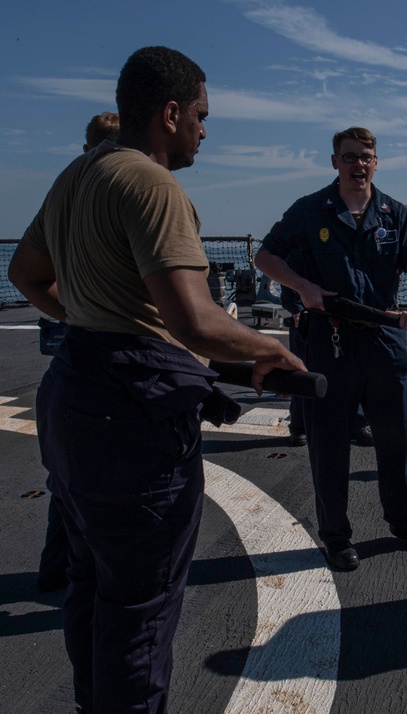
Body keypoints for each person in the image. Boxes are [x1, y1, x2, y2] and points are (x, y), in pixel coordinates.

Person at [7, 46, 304, 714]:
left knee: (91, 583)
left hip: (73, 392)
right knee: (140, 607)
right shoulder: (153, 184)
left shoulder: (78, 174)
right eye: (201, 115)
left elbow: (25, 276)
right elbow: (197, 323)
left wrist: (89, 319)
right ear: (171, 114)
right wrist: (272, 352)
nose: (206, 128)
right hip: (130, 418)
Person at [255, 126, 407, 572]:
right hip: (330, 337)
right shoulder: (309, 211)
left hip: (384, 335)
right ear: (335, 162)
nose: (358, 164)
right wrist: (302, 286)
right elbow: (265, 257)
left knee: (403, 431)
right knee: (328, 444)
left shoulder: (394, 213)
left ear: (376, 163)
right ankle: (335, 537)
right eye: (349, 157)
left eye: (365, 157)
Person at [36, 111, 122, 594]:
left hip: (70, 361)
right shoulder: (122, 190)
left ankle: (55, 570)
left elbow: (25, 273)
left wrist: (71, 313)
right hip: (105, 364)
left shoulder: (64, 189)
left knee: (65, 482)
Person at [279, 252, 373, 448]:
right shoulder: (303, 225)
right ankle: (299, 426)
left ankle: (357, 423)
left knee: (352, 372)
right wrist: (296, 307)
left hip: (344, 312)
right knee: (302, 370)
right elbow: (289, 266)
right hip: (309, 315)